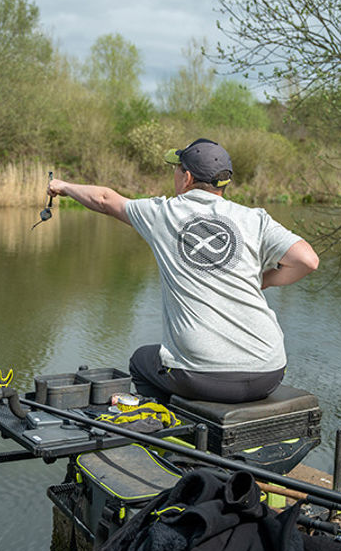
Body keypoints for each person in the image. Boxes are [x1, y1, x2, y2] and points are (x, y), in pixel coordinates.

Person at [47, 138, 319, 403]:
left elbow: (105, 199)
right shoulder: (254, 218)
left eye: (176, 169)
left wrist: (62, 186)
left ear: (186, 177)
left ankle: (163, 430)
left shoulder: (163, 214)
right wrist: (262, 281)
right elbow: (307, 260)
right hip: (269, 372)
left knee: (141, 361)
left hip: (200, 376)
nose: (174, 175)